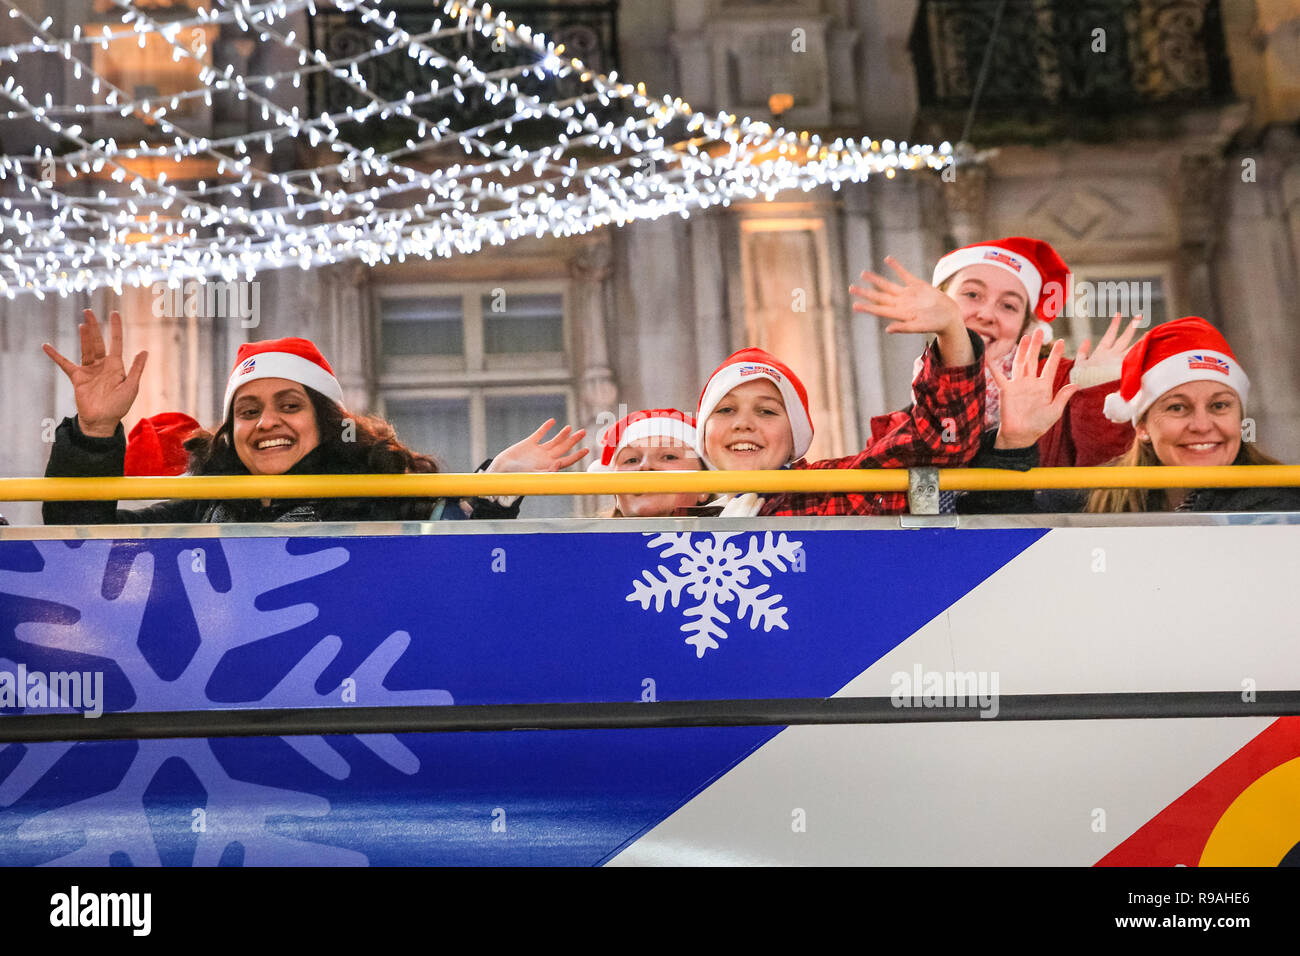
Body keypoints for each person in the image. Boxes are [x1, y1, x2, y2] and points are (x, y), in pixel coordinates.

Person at [41, 310, 585, 524]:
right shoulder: (203, 506)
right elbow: (85, 541)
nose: (267, 423)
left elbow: (459, 536)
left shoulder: (381, 492)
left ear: (326, 420)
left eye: (290, 405)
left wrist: (499, 483)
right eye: (248, 411)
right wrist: (94, 430)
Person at [693, 257, 988, 517]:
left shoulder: (826, 491)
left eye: (767, 411)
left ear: (795, 436)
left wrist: (952, 330)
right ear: (703, 434)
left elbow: (940, 441)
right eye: (726, 409)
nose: (743, 423)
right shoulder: (680, 514)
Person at [854, 236, 1138, 468]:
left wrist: (1098, 392)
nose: (987, 314)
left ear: (1025, 327)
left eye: (1009, 306)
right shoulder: (900, 424)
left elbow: (1107, 493)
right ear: (940, 303)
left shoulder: (1063, 391)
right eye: (972, 295)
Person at [1085, 316, 1300, 512]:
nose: (1202, 425)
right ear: (1142, 426)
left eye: (1219, 406)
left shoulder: (1283, 505)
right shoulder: (1097, 493)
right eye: (1177, 407)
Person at [587, 408, 710, 517]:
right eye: (632, 460)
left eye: (668, 456)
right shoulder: (584, 542)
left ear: (705, 488)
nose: (645, 466)